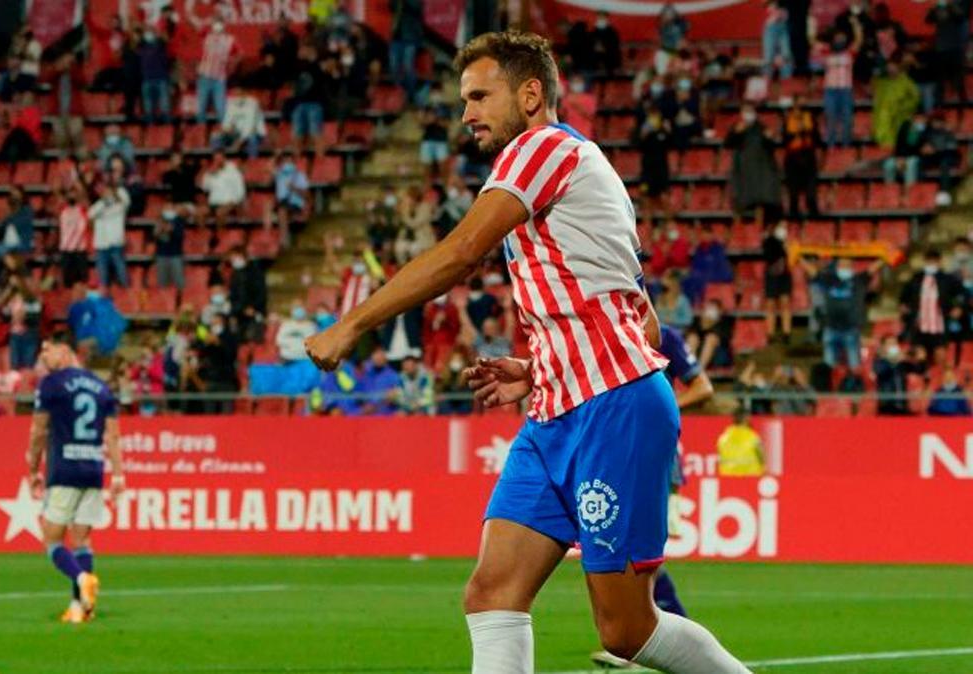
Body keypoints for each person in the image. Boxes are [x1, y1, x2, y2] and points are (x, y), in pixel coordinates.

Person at [305, 31, 749, 673]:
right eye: (464, 100)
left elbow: (461, 252)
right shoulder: (584, 172)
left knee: (626, 630)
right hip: (556, 412)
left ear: (532, 94)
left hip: (613, 408)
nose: (467, 114)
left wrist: (352, 325)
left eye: (480, 96)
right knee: (492, 593)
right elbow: (642, 322)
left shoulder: (541, 149)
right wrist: (543, 368)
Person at [591, 322, 714, 667]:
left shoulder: (665, 336)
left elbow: (703, 387)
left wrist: (658, 408)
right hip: (611, 448)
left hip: (649, 447)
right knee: (618, 545)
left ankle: (661, 633)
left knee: (634, 547)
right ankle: (647, 636)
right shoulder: (604, 332)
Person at [26, 340, 125, 624]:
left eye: (48, 349)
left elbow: (38, 431)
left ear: (66, 350)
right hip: (93, 469)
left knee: (52, 538)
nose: (43, 355)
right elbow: (113, 436)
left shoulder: (52, 384)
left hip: (64, 470)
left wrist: (33, 468)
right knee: (82, 539)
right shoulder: (101, 385)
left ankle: (83, 578)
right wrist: (118, 474)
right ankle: (80, 608)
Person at [900, 249, 963, 363]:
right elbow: (904, 295)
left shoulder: (947, 279)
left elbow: (961, 294)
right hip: (920, 325)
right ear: (924, 262)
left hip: (939, 325)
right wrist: (903, 305)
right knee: (919, 357)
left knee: (941, 357)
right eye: (929, 262)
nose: (931, 265)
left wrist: (958, 307)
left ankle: (940, 379)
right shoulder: (916, 278)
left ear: (939, 262)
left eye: (934, 262)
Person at [725, 103, 780, 230]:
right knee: (740, 200)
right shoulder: (738, 127)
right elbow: (728, 144)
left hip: (760, 170)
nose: (747, 114)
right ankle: (738, 230)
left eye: (749, 110)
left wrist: (769, 138)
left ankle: (759, 226)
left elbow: (771, 147)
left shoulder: (762, 128)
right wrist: (736, 133)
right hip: (742, 170)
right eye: (745, 111)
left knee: (760, 201)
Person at [782, 96, 820, 220]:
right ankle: (794, 211)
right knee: (793, 188)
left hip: (808, 155)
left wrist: (807, 132)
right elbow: (784, 139)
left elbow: (817, 137)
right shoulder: (788, 119)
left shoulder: (810, 117)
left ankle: (813, 210)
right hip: (793, 156)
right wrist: (795, 134)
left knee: (811, 187)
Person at [89, 182, 130, 289]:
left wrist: (115, 192)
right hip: (101, 245)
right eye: (105, 191)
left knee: (121, 273)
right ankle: (104, 296)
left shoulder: (119, 205)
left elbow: (126, 201)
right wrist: (104, 202)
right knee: (103, 275)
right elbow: (90, 214)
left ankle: (127, 293)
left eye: (108, 191)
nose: (106, 193)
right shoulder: (99, 205)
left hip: (115, 243)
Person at [871, 59, 919, 150]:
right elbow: (876, 99)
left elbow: (915, 98)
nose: (891, 70)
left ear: (899, 68)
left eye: (893, 67)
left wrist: (902, 107)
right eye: (889, 67)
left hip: (901, 117)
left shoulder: (906, 82)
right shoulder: (882, 83)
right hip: (884, 118)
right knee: (885, 143)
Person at [197, 20, 235, 124]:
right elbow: (199, 29)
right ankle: (200, 134)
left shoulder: (229, 39)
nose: (217, 27)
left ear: (224, 26)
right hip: (205, 76)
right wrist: (211, 22)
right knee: (201, 108)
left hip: (219, 79)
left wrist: (231, 65)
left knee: (221, 109)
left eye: (219, 24)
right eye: (216, 24)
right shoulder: (207, 36)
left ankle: (224, 133)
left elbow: (239, 54)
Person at [822, 34, 856, 146]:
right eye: (837, 39)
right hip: (830, 91)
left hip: (845, 90)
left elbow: (859, 41)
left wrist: (856, 26)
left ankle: (846, 145)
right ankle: (830, 146)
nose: (839, 41)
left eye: (841, 39)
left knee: (847, 119)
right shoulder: (826, 54)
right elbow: (813, 44)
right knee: (831, 118)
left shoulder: (850, 54)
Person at [200, 151, 246, 232]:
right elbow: (205, 187)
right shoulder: (213, 171)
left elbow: (240, 190)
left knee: (220, 213)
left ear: (224, 158)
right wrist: (209, 174)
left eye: (219, 158)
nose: (217, 161)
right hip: (213, 203)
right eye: (215, 159)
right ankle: (204, 236)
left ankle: (219, 236)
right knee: (199, 213)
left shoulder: (233, 171)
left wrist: (235, 202)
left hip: (229, 202)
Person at [762, 223, 793, 341]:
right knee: (770, 305)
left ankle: (786, 333)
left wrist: (787, 247)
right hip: (771, 276)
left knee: (785, 303)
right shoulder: (768, 241)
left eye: (785, 227)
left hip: (785, 275)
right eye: (781, 227)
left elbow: (792, 258)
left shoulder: (789, 242)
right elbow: (768, 257)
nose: (783, 229)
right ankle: (770, 334)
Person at [882, 112, 929, 191]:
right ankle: (890, 192)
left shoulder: (927, 131)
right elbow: (899, 144)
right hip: (901, 157)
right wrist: (899, 158)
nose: (920, 121)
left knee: (910, 164)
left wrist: (905, 158)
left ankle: (909, 192)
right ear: (914, 119)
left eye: (922, 119)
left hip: (917, 158)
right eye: (918, 119)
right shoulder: (905, 127)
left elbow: (922, 150)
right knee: (888, 165)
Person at [716, 408, 765, 476]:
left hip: (728, 478)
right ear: (747, 419)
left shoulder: (723, 438)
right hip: (750, 478)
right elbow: (762, 458)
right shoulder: (753, 437)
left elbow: (720, 459)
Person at [154, 205, 186, 290]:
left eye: (170, 208)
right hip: (161, 255)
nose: (168, 210)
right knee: (162, 283)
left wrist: (172, 230)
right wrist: (160, 230)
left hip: (175, 255)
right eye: (166, 208)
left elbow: (180, 236)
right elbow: (154, 236)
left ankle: (180, 300)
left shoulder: (179, 221)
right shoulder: (160, 220)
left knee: (179, 283)